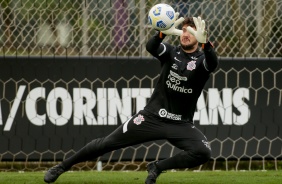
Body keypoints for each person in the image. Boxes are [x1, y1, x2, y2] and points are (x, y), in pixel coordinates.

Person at [44, 14, 218, 184]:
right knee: (107, 143)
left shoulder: (202, 59)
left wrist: (206, 45)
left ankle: (157, 167)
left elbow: (212, 63)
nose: (186, 34)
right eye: (184, 30)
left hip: (180, 123)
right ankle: (61, 167)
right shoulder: (172, 53)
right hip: (151, 117)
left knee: (203, 152)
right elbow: (151, 47)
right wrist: (162, 33)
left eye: (192, 32)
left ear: (200, 36)